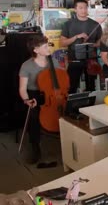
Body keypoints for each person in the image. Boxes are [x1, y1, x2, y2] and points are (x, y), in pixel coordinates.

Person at [18, 36, 60, 164]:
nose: (49, 48)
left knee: (65, 112)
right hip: (34, 94)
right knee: (34, 117)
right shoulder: (26, 66)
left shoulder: (53, 61)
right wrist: (27, 100)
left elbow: (61, 78)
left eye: (48, 45)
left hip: (52, 93)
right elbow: (22, 89)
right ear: (36, 50)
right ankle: (35, 147)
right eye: (45, 46)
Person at [60, 0, 102, 94]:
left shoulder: (95, 24)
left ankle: (91, 106)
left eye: (85, 8)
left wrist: (93, 44)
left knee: (91, 87)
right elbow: (62, 43)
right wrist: (76, 37)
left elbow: (100, 42)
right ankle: (72, 107)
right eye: (80, 8)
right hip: (74, 59)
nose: (83, 10)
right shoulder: (68, 24)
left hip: (91, 60)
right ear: (75, 9)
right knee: (72, 87)